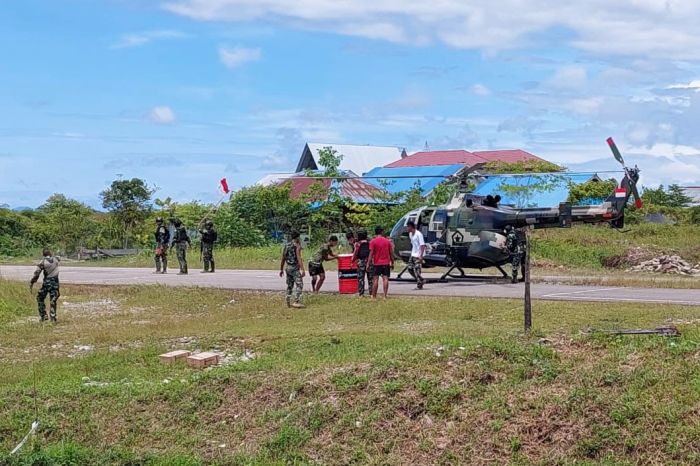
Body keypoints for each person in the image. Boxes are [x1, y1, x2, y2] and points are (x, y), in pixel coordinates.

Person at [29, 248, 60, 323]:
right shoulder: (56, 259)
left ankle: (43, 315)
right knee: (53, 300)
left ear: (43, 254)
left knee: (40, 298)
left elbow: (37, 273)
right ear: (50, 253)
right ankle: (53, 318)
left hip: (47, 283)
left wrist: (32, 282)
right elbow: (58, 258)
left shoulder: (42, 262)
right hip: (55, 282)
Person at [280, 230, 305, 308]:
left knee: (290, 285)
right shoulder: (297, 246)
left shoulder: (286, 245)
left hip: (288, 268)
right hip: (295, 268)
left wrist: (281, 269)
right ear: (297, 237)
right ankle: (296, 301)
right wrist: (303, 269)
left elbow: (283, 258)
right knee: (299, 284)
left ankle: (288, 299)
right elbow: (299, 258)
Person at [369, 226, 394, 298]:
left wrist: (368, 263)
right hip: (386, 263)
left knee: (375, 279)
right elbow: (391, 253)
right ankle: (385, 295)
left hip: (377, 263)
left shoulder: (373, 241)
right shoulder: (387, 241)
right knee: (385, 278)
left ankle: (374, 296)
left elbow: (371, 253)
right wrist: (392, 262)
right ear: (382, 232)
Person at [352, 229, 372, 297]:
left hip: (361, 262)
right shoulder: (369, 242)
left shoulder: (357, 244)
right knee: (370, 278)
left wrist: (352, 260)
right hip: (369, 261)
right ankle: (371, 292)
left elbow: (355, 253)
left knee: (361, 278)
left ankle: (361, 293)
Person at [406, 220, 426, 289]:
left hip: (418, 254)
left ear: (411, 227)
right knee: (410, 268)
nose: (407, 229)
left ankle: (420, 284)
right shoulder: (410, 234)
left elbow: (422, 245)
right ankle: (420, 280)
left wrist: (421, 256)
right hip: (413, 254)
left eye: (407, 227)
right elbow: (413, 244)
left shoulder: (418, 234)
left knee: (417, 269)